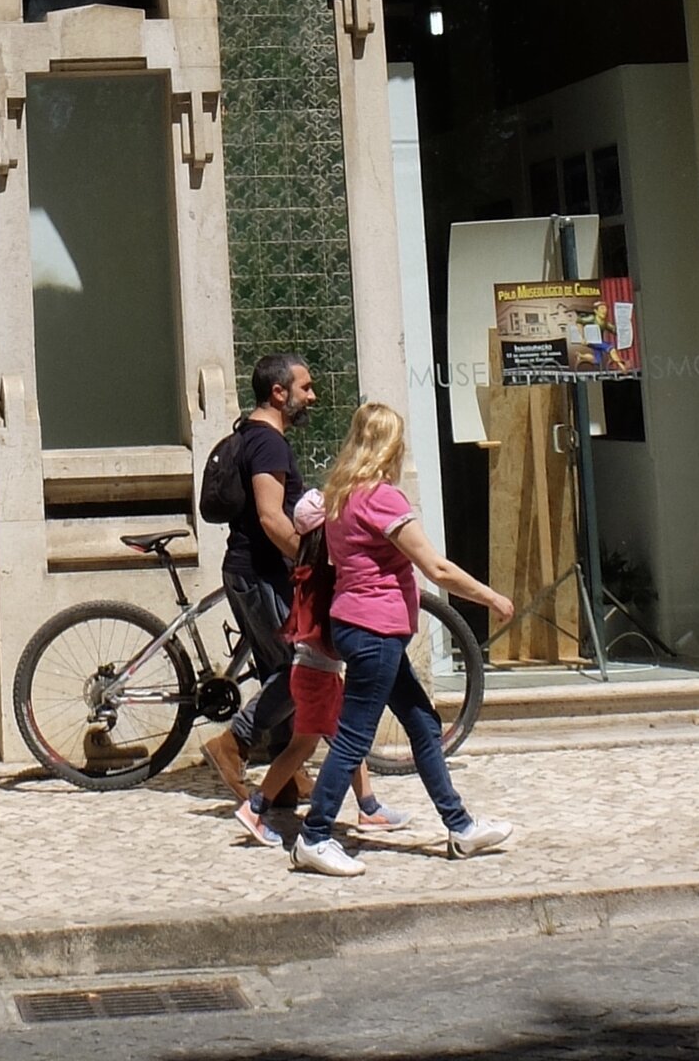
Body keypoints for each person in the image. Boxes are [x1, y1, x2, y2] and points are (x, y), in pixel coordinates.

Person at [291, 401, 516, 878]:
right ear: (391, 446)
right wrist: (491, 597)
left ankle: (461, 827)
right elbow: (434, 567)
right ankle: (314, 836)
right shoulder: (382, 498)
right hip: (376, 632)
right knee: (353, 738)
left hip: (356, 626)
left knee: (423, 725)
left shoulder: (340, 497)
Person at [224, 487, 406, 849]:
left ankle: (369, 807)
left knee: (342, 740)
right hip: (317, 676)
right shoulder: (326, 576)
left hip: (311, 674)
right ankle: (255, 807)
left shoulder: (307, 571)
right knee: (305, 747)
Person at [200, 350, 314, 795]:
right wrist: (310, 560)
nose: (312, 396)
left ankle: (284, 775)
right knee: (299, 671)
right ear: (278, 391)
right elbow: (271, 517)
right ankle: (234, 743)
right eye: (305, 388)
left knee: (279, 670)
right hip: (263, 572)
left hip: (250, 571)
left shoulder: (249, 435)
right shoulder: (268, 442)